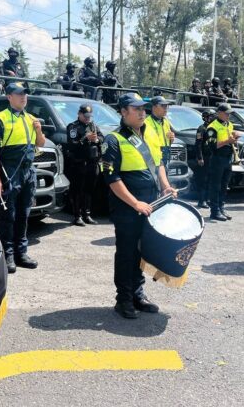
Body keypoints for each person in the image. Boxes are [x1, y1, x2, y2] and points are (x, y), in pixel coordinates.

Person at [101, 93, 176, 319]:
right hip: (127, 207)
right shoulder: (113, 140)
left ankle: (137, 293)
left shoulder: (150, 132)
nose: (142, 112)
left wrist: (166, 185)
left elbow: (158, 163)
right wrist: (135, 203)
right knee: (127, 252)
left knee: (142, 250)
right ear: (123, 112)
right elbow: (111, 178)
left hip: (150, 203)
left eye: (143, 108)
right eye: (136, 109)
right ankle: (123, 299)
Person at [0, 82, 44, 274]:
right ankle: (7, 254)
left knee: (24, 213)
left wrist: (38, 130)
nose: (23, 97)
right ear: (9, 96)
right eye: (19, 94)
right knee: (8, 215)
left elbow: (40, 143)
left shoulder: (31, 118)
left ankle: (22, 252)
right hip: (10, 170)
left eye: (25, 94)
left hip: (28, 171)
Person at [65, 103, 103, 226]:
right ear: (79, 114)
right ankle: (77, 216)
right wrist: (85, 139)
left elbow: (102, 138)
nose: (87, 118)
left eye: (89, 116)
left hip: (92, 163)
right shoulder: (73, 127)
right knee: (77, 190)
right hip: (79, 163)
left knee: (89, 190)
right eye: (85, 115)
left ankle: (87, 214)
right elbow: (72, 144)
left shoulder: (93, 126)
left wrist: (96, 140)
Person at [205, 103, 238, 221]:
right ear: (219, 113)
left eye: (229, 113)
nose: (228, 116)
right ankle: (214, 211)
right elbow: (212, 146)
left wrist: (234, 139)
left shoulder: (229, 125)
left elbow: (231, 140)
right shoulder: (212, 127)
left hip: (227, 158)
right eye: (226, 113)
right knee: (216, 185)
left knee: (224, 185)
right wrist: (227, 141)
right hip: (217, 158)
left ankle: (221, 207)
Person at [146, 96, 175, 166]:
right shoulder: (146, 123)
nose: (165, 109)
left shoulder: (165, 121)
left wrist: (172, 138)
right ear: (154, 107)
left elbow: (169, 140)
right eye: (163, 106)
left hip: (166, 156)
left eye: (166, 106)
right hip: (153, 159)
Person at [195, 109, 215, 208]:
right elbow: (198, 144)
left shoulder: (212, 128)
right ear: (206, 117)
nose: (212, 118)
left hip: (212, 157)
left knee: (211, 179)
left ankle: (208, 199)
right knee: (204, 180)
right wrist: (200, 158)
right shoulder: (201, 128)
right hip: (204, 157)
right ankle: (201, 200)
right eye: (210, 116)